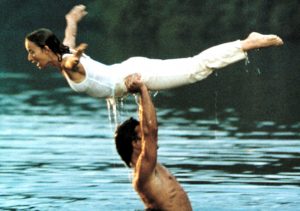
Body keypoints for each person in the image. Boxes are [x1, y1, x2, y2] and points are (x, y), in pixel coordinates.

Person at [25, 5, 283, 99]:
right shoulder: (64, 51)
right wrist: (72, 19)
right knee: (195, 66)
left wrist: (78, 55)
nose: (30, 58)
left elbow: (72, 63)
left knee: (196, 68)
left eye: (32, 52)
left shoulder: (68, 61)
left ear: (46, 49)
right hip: (128, 70)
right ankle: (245, 43)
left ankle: (248, 43)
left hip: (137, 73)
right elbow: (69, 39)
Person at [115, 73, 192, 211]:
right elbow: (151, 130)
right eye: (143, 136)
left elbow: (148, 129)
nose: (152, 141)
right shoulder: (144, 169)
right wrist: (143, 89)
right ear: (135, 143)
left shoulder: (149, 167)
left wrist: (139, 96)